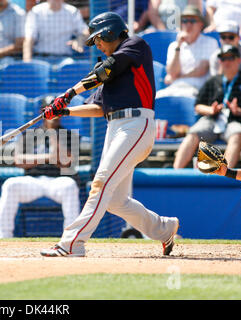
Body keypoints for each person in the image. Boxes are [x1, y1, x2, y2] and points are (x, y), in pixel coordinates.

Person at [39, 12, 180, 257]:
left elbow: (106, 71)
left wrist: (69, 93)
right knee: (115, 200)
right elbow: (98, 108)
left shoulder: (134, 46)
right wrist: (65, 111)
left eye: (99, 39)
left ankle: (72, 243)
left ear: (110, 32)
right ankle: (164, 228)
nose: (98, 45)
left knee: (101, 181)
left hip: (136, 125)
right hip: (115, 128)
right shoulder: (109, 71)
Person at [0, 95, 81, 238]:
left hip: (58, 181)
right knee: (10, 184)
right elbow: (19, 161)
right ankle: (3, 235)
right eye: (51, 109)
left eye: (57, 110)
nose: (54, 113)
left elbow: (66, 162)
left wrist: (52, 133)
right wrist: (47, 157)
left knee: (70, 186)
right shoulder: (29, 134)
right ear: (43, 112)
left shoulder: (70, 135)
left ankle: (70, 237)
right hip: (32, 182)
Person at [173, 45, 241, 169]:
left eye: (230, 58)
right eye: (223, 59)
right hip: (212, 119)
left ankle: (224, 176)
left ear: (238, 60)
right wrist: (210, 110)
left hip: (236, 120)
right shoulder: (213, 80)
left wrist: (240, 111)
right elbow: (197, 105)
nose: (226, 62)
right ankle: (175, 175)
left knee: (237, 134)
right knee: (192, 134)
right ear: (219, 61)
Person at [156, 5, 218, 99]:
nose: (188, 25)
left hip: (197, 91)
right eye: (184, 21)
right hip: (175, 88)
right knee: (156, 98)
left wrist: (178, 77)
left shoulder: (210, 42)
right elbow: (172, 73)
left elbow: (202, 69)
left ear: (201, 24)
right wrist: (178, 46)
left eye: (192, 21)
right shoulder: (174, 45)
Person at [22, 0, 89, 65]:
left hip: (65, 59)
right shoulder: (36, 11)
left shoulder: (72, 11)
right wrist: (27, 62)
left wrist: (79, 40)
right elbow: (28, 39)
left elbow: (85, 31)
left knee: (71, 67)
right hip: (40, 58)